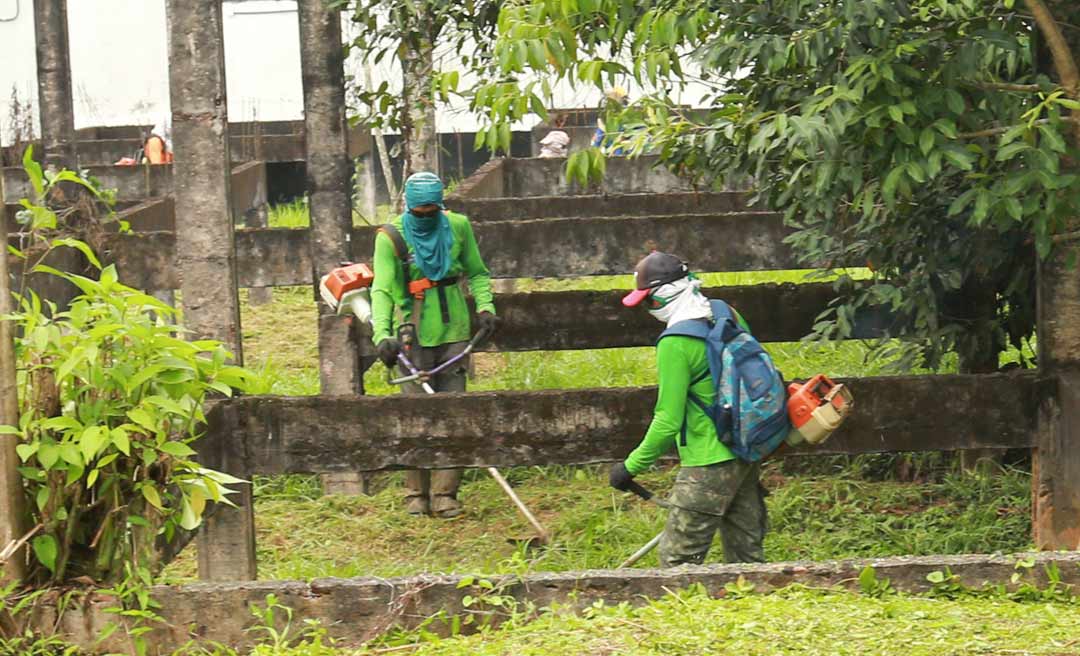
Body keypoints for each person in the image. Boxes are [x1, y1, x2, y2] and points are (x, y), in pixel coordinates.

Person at [609, 251, 768, 566]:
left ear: (664, 295)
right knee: (746, 558)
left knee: (676, 561)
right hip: (747, 447)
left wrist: (629, 467)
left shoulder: (675, 342)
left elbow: (667, 420)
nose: (647, 309)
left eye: (649, 301)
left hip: (708, 460)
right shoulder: (726, 312)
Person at [370, 171, 498, 518]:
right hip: (411, 329)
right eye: (420, 211)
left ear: (441, 206)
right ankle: (415, 493)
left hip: (455, 327)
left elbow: (477, 271)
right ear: (409, 208)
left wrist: (486, 306)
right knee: (415, 413)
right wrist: (382, 334)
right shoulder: (391, 238)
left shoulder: (457, 226)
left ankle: (445, 494)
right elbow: (381, 289)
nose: (426, 216)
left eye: (432, 210)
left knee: (454, 412)